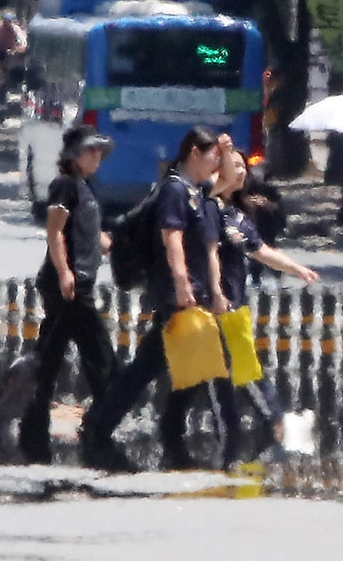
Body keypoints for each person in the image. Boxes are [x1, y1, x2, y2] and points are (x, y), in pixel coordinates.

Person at [81, 127, 238, 472]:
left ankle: (134, 429)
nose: (216, 164)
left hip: (188, 292)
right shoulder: (174, 191)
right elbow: (172, 239)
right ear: (194, 154)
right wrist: (181, 283)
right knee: (169, 366)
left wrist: (226, 151)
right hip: (177, 294)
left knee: (160, 366)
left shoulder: (195, 189)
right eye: (212, 156)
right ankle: (104, 429)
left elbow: (231, 178)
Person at [168, 147, 318, 462]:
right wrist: (214, 292)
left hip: (233, 309)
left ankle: (263, 430)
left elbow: (260, 250)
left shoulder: (237, 214)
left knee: (243, 370)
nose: (240, 171)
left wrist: (297, 269)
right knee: (228, 377)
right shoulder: (207, 206)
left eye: (242, 167)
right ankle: (264, 429)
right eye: (233, 165)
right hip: (211, 308)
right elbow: (207, 253)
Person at [15, 125, 119, 464]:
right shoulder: (65, 185)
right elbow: (55, 231)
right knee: (100, 356)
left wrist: (115, 250)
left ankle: (33, 428)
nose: (97, 156)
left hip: (79, 283)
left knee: (51, 358)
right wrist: (64, 272)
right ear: (73, 154)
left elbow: (91, 233)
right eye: (90, 150)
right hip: (68, 287)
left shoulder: (84, 187)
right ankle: (98, 427)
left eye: (99, 151)